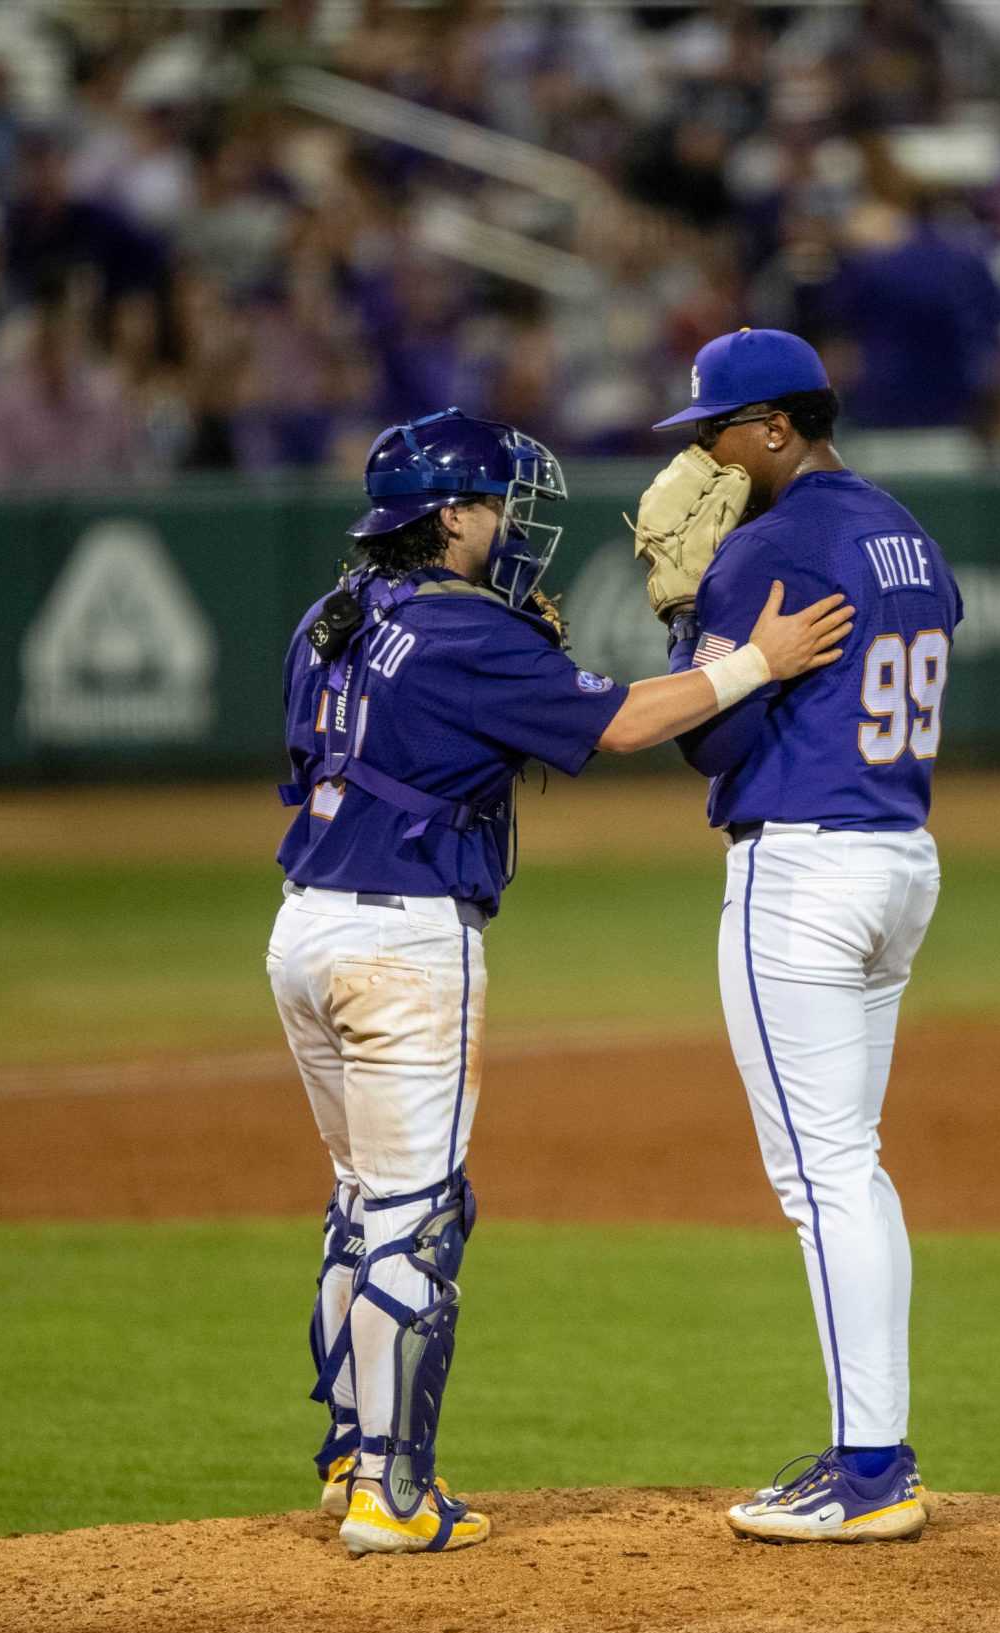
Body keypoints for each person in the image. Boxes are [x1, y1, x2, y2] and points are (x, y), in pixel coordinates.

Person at [277, 407, 853, 1558]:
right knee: (414, 1219)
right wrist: (756, 661)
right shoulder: (467, 637)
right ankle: (392, 1494)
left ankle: (352, 1457)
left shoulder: (334, 617)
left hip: (304, 932)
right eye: (495, 503)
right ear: (450, 517)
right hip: (405, 946)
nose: (509, 522)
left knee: (361, 1203)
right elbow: (632, 722)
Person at [639, 329, 962, 1543]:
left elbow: (708, 741)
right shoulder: (908, 533)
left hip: (802, 875)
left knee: (820, 1177)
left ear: (775, 426)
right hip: (898, 859)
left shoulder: (766, 548)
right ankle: (873, 1446)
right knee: (852, 1165)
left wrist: (687, 618)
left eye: (715, 432)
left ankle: (870, 1466)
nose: (702, 460)